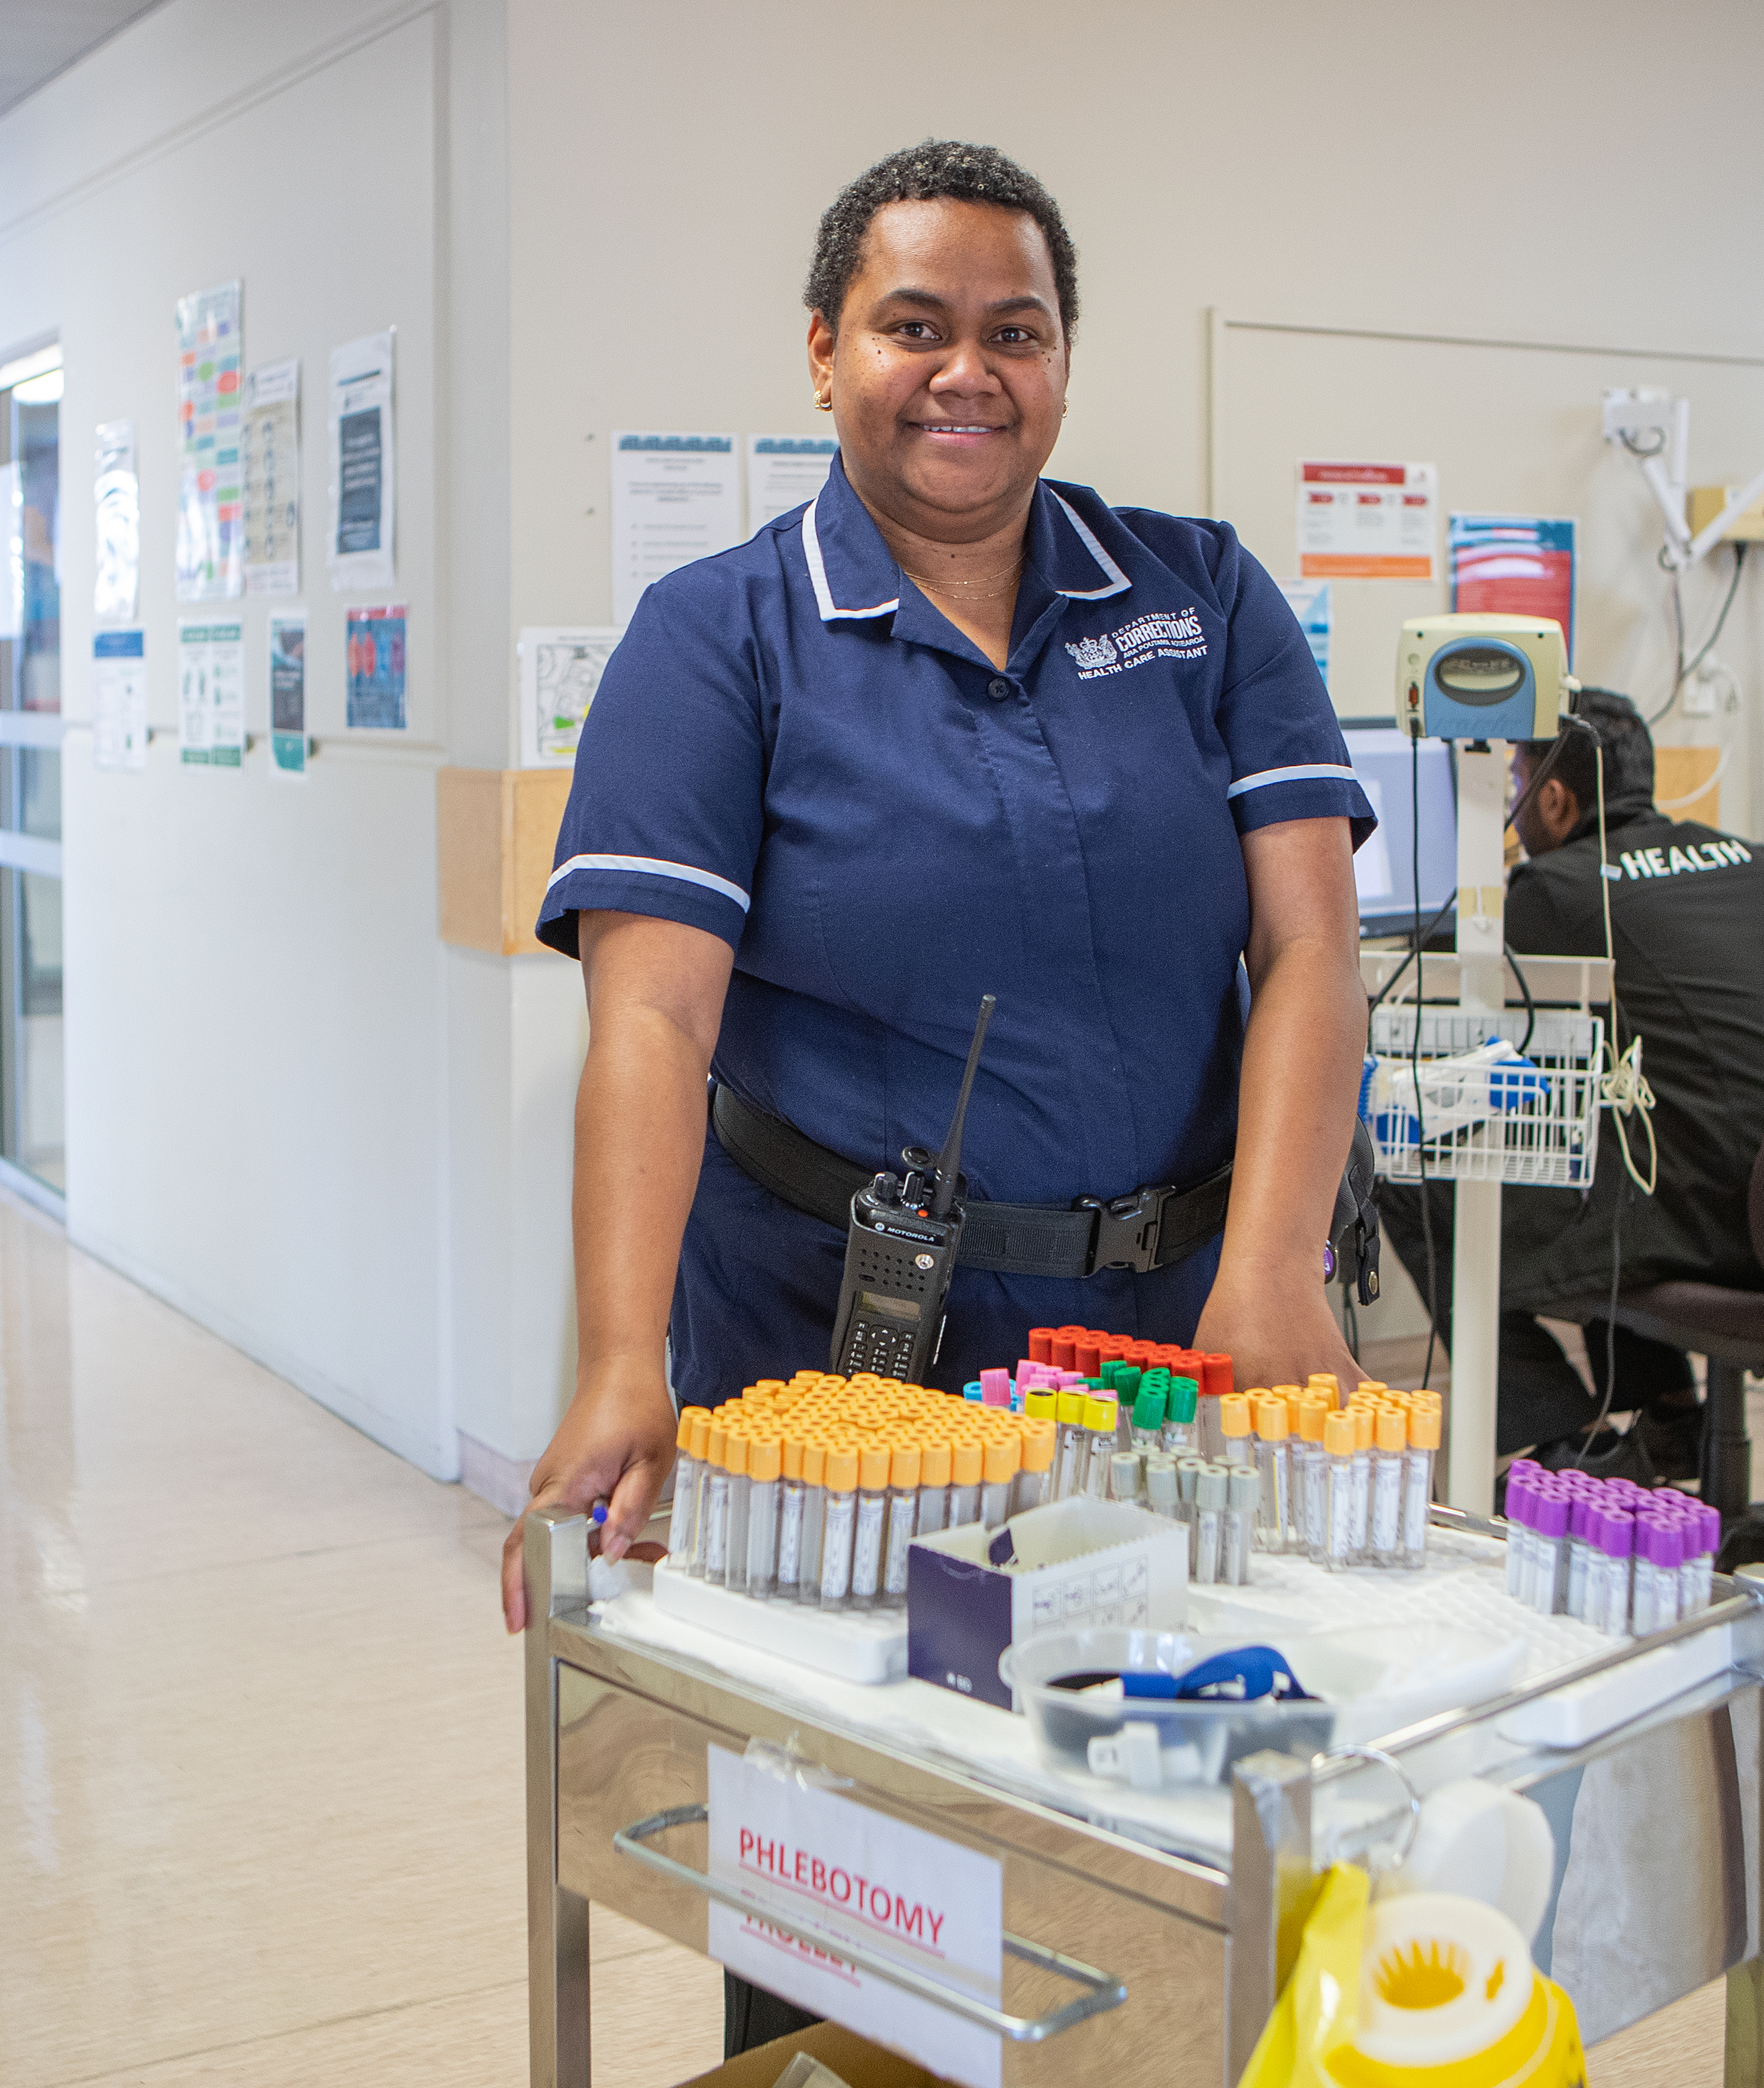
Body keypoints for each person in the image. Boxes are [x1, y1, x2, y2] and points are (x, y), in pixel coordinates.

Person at [500, 136, 1375, 2049]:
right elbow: (649, 1025)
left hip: (1165, 1342)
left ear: (1064, 360)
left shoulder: (1199, 597)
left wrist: (1273, 1259)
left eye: (1016, 329)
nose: (966, 369)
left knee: (1157, 1807)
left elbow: (1308, 942)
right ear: (823, 351)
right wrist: (617, 1348)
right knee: (845, 1850)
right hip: (836, 1352)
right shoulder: (717, 636)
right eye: (914, 325)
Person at [1371, 688, 1764, 1477]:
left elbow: (1444, 966)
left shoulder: (1556, 888)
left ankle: (1560, 1438)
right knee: (1611, 1146)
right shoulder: (1754, 863)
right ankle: (1667, 1416)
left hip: (1723, 1220)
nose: (1515, 804)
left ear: (1553, 798)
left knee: (1408, 1168)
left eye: (1516, 783)